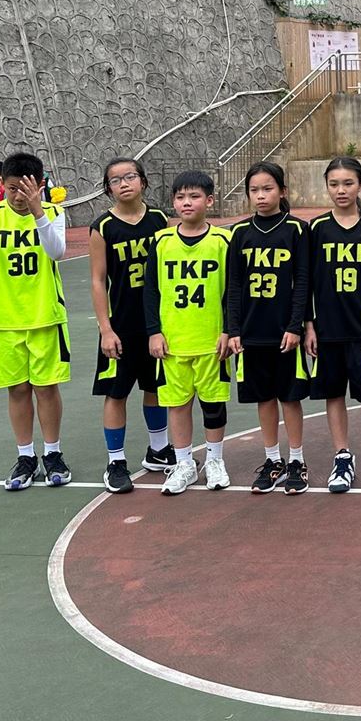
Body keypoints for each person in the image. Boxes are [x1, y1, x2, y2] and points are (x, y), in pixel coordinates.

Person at [0, 152, 72, 491]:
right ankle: (25, 456)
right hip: (3, 318)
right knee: (18, 388)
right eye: (12, 189)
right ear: (2, 186)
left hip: (44, 315)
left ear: (39, 185)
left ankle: (52, 453)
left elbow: (56, 252)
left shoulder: (52, 213)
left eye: (26, 189)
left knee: (46, 387)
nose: (19, 196)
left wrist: (38, 211)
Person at [305, 157, 361, 493]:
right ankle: (342, 457)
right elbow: (307, 281)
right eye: (334, 184)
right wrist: (309, 326)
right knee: (333, 395)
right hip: (327, 328)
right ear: (327, 186)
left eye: (348, 183)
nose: (341, 190)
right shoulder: (316, 228)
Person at [144, 171, 233, 496]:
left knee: (213, 404)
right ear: (173, 202)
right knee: (177, 404)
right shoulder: (161, 241)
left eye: (194, 196)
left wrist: (228, 330)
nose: (186, 202)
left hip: (211, 340)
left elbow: (232, 291)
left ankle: (214, 460)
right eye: (180, 197)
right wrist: (154, 331)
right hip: (173, 341)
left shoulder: (223, 241)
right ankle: (184, 463)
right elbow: (150, 290)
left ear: (209, 200)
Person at [89, 157, 175, 494]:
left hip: (155, 323)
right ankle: (116, 462)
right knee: (116, 392)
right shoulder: (103, 227)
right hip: (121, 325)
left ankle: (158, 450)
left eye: (130, 176)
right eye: (115, 180)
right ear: (108, 188)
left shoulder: (159, 220)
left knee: (156, 387)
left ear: (143, 181)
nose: (124, 183)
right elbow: (98, 281)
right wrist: (106, 329)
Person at [225, 162, 311, 496]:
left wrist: (295, 325)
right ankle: (273, 459)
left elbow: (302, 281)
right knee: (264, 397)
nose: (260, 196)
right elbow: (234, 285)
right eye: (254, 190)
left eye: (267, 189)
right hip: (251, 331)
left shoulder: (297, 230)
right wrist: (234, 330)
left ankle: (297, 461)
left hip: (285, 331)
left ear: (282, 191)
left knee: (290, 397)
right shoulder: (239, 233)